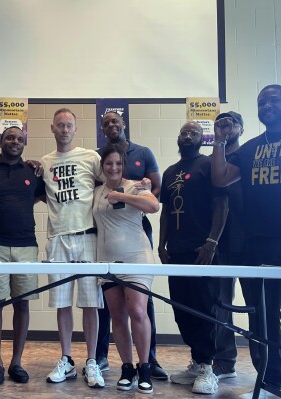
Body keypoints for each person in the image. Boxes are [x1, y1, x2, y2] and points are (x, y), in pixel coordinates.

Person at [211, 84, 281, 399]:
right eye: (261, 101)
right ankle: (270, 382)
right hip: (259, 245)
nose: (267, 105)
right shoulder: (250, 148)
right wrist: (219, 141)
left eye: (274, 100)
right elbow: (220, 177)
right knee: (264, 318)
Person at [95, 110, 168, 380]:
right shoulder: (96, 193)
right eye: (108, 164)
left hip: (137, 257)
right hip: (108, 261)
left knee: (138, 310)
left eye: (117, 164)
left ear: (124, 165)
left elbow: (153, 205)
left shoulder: (136, 186)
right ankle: (126, 368)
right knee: (117, 317)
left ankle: (145, 366)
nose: (113, 168)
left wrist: (121, 195)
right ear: (102, 166)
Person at [158, 121, 228, 395]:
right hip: (176, 251)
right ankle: (196, 362)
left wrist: (211, 243)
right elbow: (165, 212)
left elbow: (222, 204)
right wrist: (161, 245)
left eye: (194, 133)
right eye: (184, 132)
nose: (187, 136)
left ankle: (208, 367)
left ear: (202, 139)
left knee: (203, 308)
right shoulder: (170, 171)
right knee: (181, 309)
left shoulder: (210, 165)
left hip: (202, 252)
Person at [0, 126, 45, 385]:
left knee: (22, 303)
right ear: (0, 141)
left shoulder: (33, 171)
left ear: (24, 143)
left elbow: (47, 199)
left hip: (27, 245)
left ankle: (16, 362)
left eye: (20, 138)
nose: (15, 141)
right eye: (10, 137)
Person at [40, 108, 105, 389]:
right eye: (60, 125)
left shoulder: (91, 157)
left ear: (75, 130)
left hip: (88, 237)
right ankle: (66, 359)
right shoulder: (44, 162)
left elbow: (110, 183)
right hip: (58, 239)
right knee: (62, 303)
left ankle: (91, 360)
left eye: (69, 126)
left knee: (91, 303)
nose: (65, 130)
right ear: (52, 129)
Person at [211, 112, 246, 381]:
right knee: (220, 304)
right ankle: (224, 361)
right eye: (220, 123)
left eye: (230, 123)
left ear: (241, 128)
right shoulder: (212, 162)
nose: (225, 127)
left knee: (262, 306)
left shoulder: (250, 155)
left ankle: (268, 371)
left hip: (250, 243)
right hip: (219, 244)